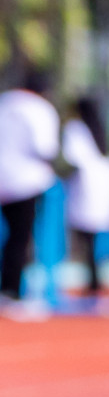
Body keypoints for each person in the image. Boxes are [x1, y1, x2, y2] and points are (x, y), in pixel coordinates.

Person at [0, 68, 59, 311]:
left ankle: (9, 288)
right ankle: (13, 291)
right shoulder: (40, 109)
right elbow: (47, 148)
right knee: (21, 238)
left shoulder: (5, 101)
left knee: (10, 237)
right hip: (27, 183)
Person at [61, 97, 109, 300]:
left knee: (86, 238)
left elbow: (72, 159)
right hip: (104, 186)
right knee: (97, 238)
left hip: (86, 188)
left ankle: (93, 282)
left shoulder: (75, 128)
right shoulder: (98, 127)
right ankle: (96, 281)